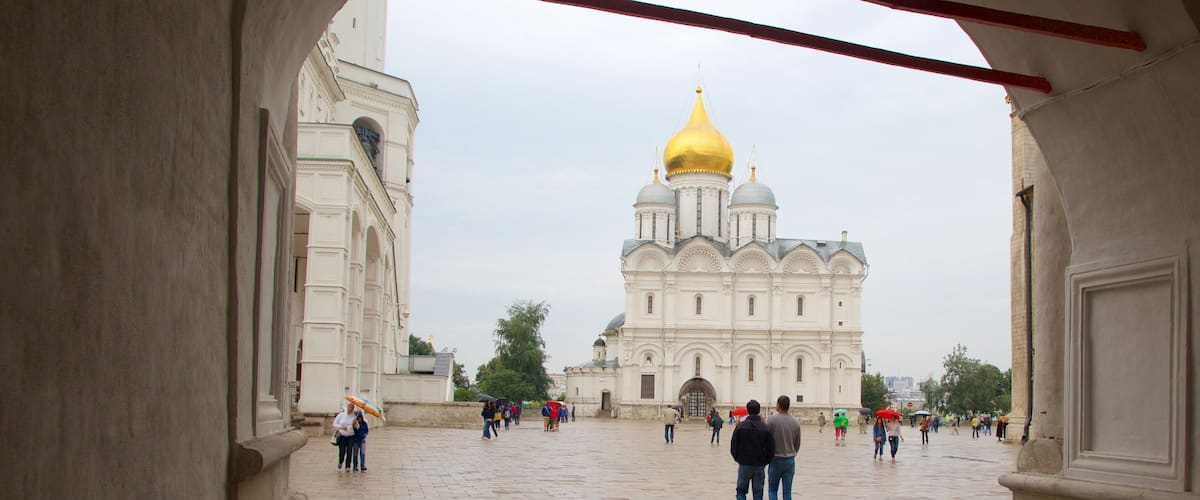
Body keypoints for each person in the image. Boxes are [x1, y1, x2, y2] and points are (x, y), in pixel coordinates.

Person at [730, 400, 774, 500]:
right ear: (759, 410)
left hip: (744, 464)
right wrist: (764, 462)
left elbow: (733, 446)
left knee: (741, 491)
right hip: (759, 465)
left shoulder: (740, 426)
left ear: (748, 410)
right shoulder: (765, 428)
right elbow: (771, 449)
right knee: (758, 493)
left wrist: (739, 459)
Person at [766, 396, 801, 500]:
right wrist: (792, 452)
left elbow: (767, 439)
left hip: (775, 459)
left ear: (778, 405)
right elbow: (797, 443)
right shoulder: (795, 422)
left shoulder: (771, 420)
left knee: (772, 490)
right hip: (789, 460)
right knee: (787, 492)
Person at [333, 402, 358, 470]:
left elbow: (357, 427)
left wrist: (355, 424)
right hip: (342, 435)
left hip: (351, 435)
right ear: (347, 407)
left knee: (349, 450)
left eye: (352, 408)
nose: (350, 409)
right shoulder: (341, 415)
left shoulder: (354, 416)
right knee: (342, 451)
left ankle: (348, 466)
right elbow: (334, 424)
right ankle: (340, 461)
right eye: (349, 407)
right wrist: (341, 427)